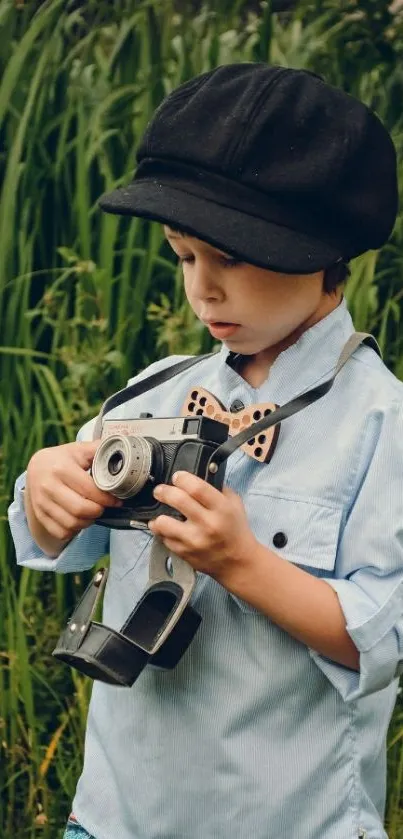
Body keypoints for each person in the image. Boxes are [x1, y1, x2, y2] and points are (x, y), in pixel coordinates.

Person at [8, 63, 403, 839]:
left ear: (319, 253)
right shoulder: (150, 393)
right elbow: (57, 532)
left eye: (230, 258)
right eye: (184, 256)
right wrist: (45, 488)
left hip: (288, 818)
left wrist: (242, 561)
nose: (203, 290)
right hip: (119, 812)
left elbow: (378, 639)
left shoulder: (379, 423)